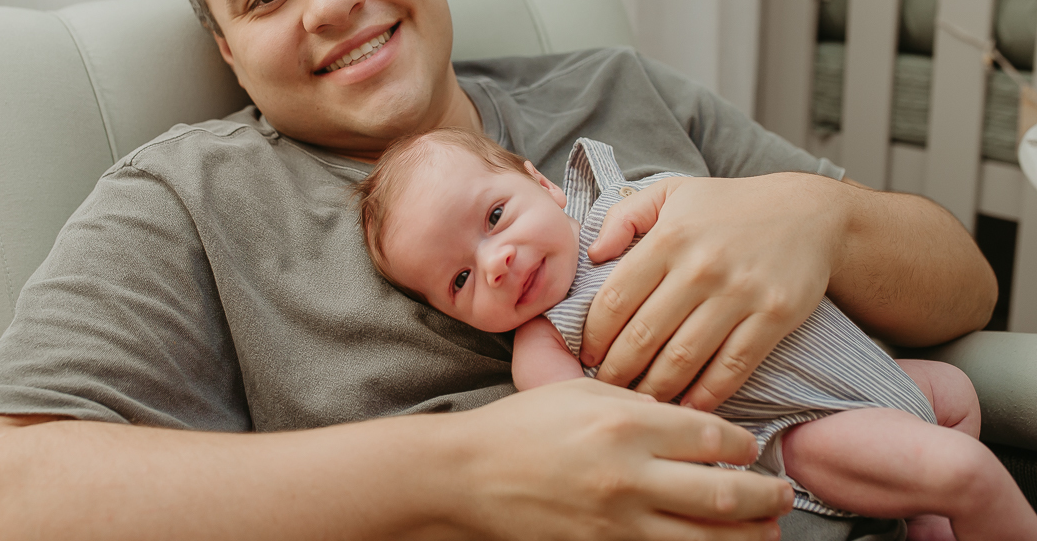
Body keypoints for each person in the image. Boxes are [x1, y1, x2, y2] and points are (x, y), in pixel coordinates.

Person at [0, 0, 998, 541]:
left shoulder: (617, 92)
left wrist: (815, 219)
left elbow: (966, 283)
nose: (333, 3)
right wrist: (465, 472)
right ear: (230, 52)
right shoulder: (192, 200)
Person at [356, 128, 1037, 540]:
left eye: (496, 215)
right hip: (799, 426)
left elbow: (753, 218)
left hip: (872, 372)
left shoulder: (634, 200)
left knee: (958, 397)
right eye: (460, 280)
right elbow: (596, 438)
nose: (496, 262)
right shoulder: (543, 345)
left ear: (542, 181)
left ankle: (923, 521)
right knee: (967, 470)